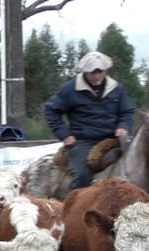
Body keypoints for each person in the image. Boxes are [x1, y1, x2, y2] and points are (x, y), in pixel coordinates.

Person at [44, 51, 135, 190]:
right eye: (92, 72)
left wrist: (123, 126)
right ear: (85, 71)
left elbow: (127, 111)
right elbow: (51, 111)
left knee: (138, 162)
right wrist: (65, 135)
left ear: (105, 70)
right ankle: (74, 204)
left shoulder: (117, 89)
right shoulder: (70, 89)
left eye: (100, 71)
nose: (96, 75)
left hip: (114, 139)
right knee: (82, 176)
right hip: (84, 141)